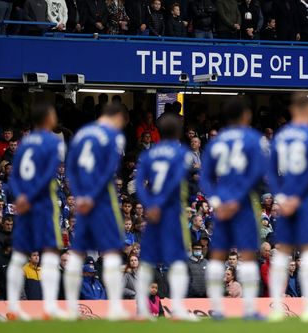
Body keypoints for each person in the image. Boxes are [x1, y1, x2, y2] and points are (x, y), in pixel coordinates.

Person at [200, 97, 267, 319]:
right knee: (247, 255)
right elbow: (258, 174)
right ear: (246, 115)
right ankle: (249, 310)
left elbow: (205, 178)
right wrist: (237, 199)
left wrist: (218, 202)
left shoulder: (216, 142)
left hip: (221, 206)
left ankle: (217, 309)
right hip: (244, 205)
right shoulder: (253, 139)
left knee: (218, 255)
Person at [268, 92, 308, 322]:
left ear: (293, 110)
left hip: (284, 200)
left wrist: (282, 196)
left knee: (283, 251)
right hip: (304, 200)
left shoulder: (280, 136)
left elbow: (271, 171)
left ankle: (275, 308)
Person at [64, 103, 128, 320]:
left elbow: (71, 166)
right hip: (99, 200)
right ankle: (115, 305)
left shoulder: (82, 134)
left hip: (82, 198)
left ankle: (71, 305)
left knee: (77, 251)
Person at [6, 101, 65, 320]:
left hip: (24, 206)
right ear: (48, 118)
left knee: (19, 255)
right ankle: (49, 307)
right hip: (42, 206)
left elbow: (14, 178)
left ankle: (12, 307)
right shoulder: (51, 142)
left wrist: (21, 196)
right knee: (49, 255)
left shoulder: (24, 143)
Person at [134, 113, 196, 320]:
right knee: (177, 260)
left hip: (152, 214)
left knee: (147, 260)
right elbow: (175, 183)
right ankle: (177, 308)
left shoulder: (148, 155)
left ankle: (141, 310)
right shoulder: (181, 154)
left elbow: (139, 184)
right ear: (178, 132)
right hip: (170, 212)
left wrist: (150, 205)